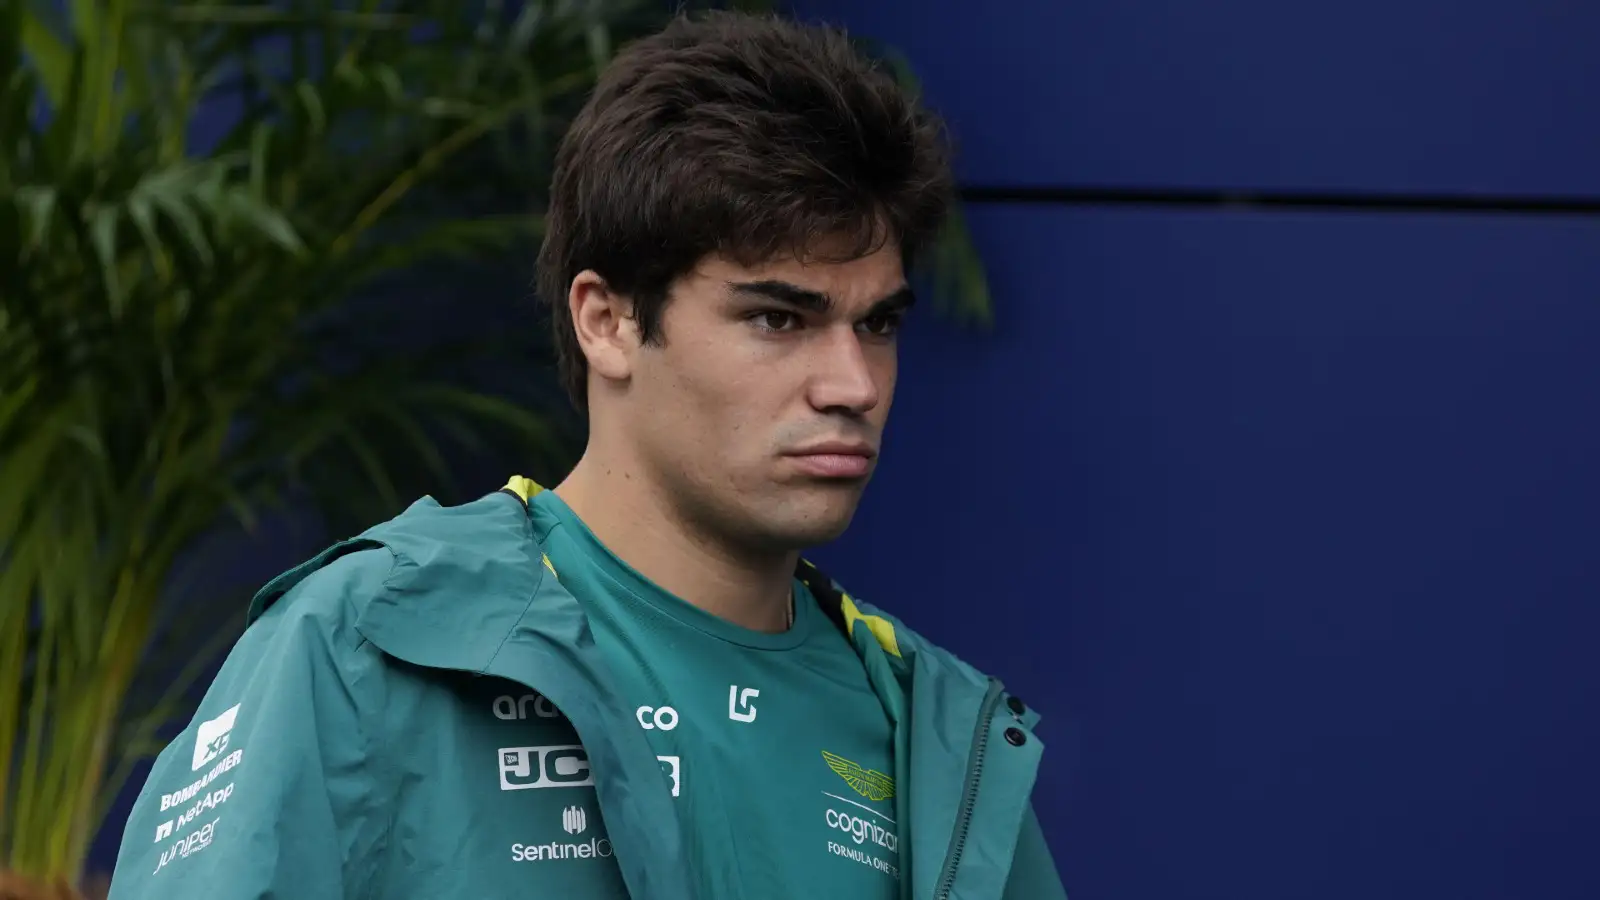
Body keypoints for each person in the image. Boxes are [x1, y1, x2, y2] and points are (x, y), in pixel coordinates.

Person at [107, 11, 1066, 899]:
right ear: (606, 321)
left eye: (880, 324)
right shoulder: (368, 639)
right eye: (780, 317)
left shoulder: (942, 742)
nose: (853, 384)